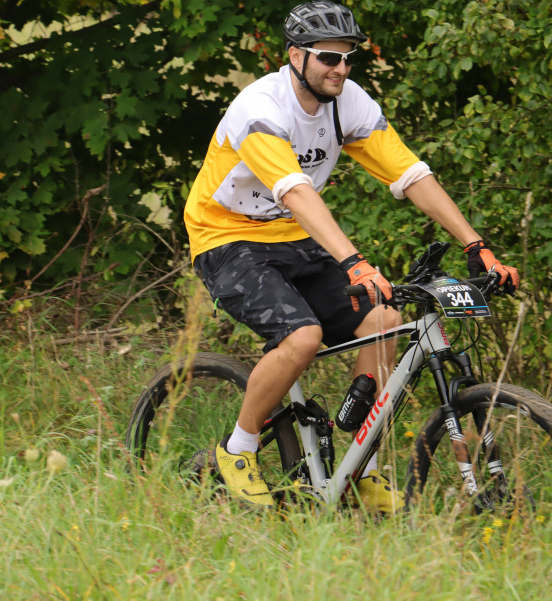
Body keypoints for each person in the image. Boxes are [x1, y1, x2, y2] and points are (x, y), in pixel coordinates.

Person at [183, 1, 519, 511]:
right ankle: (238, 448)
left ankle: (358, 470)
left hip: (293, 235)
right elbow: (294, 190)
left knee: (383, 319)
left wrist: (477, 245)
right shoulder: (260, 108)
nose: (340, 69)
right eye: (327, 58)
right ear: (296, 56)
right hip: (226, 236)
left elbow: (409, 174)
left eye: (346, 59)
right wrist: (354, 261)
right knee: (302, 338)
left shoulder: (348, 102)